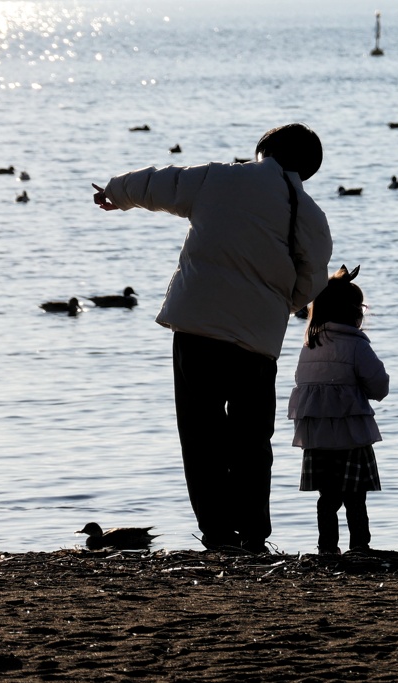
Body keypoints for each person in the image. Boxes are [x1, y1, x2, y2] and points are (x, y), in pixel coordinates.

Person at [92, 123, 333, 552]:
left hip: (198, 327)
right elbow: (309, 285)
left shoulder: (219, 177)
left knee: (201, 434)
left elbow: (157, 183)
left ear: (262, 149)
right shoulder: (311, 216)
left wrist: (115, 193)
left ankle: (218, 534)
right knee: (252, 440)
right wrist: (278, 305)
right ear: (307, 171)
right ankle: (254, 533)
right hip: (258, 342)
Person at [288, 265, 389, 553]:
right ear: (355, 312)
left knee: (327, 498)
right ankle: (359, 547)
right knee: (356, 498)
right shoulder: (356, 346)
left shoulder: (309, 346)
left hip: (317, 438)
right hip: (350, 437)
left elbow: (301, 383)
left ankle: (327, 549)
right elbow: (379, 387)